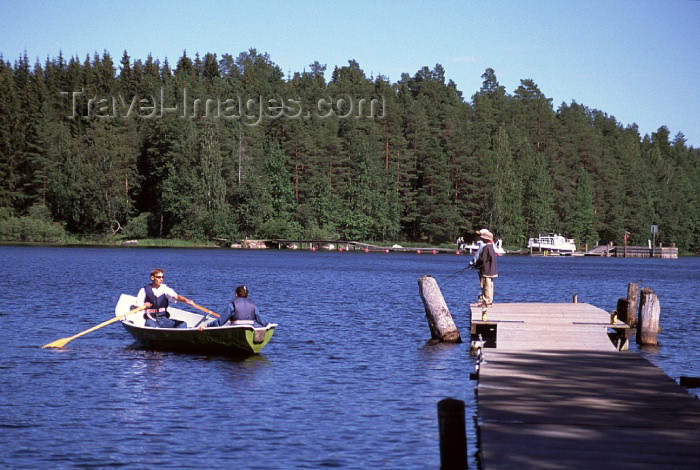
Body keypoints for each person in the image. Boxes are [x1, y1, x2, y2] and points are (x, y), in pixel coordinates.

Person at [200, 285, 268, 329]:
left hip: (236, 329)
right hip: (250, 328)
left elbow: (220, 322)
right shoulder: (253, 305)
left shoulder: (232, 305)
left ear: (236, 294)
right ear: (247, 295)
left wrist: (206, 325)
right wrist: (267, 324)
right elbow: (260, 320)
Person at [472, 228, 498, 307]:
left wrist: (476, 265)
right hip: (492, 270)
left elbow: (483, 259)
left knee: (486, 286)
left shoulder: (486, 247)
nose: (481, 239)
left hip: (486, 270)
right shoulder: (491, 247)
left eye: (482, 238)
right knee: (490, 286)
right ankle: (489, 300)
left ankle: (486, 301)